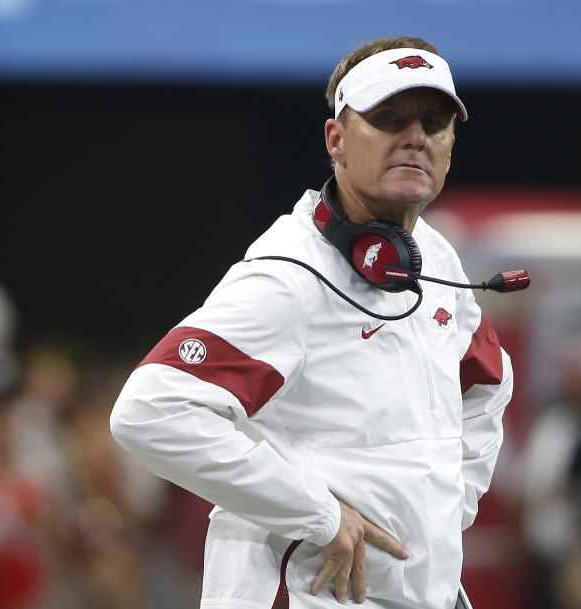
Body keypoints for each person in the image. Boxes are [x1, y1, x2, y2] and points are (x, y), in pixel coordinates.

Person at [110, 36, 515, 609]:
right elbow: (151, 411)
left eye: (435, 121)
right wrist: (320, 515)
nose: (416, 137)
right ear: (337, 140)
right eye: (388, 118)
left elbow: (489, 384)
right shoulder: (289, 275)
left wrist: (445, 511)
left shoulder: (435, 258)